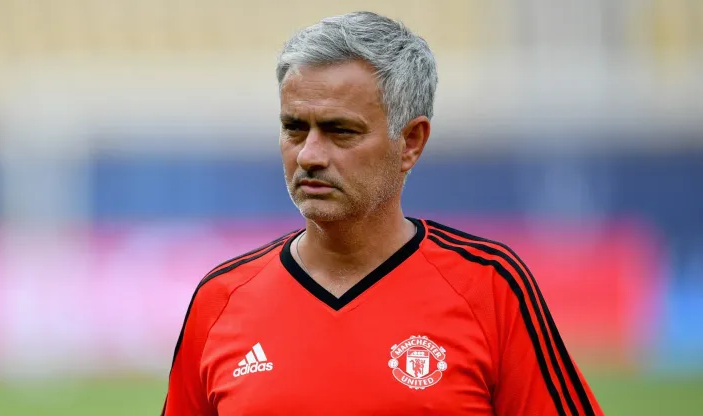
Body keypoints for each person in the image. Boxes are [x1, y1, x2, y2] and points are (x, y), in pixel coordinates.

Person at [162, 11, 603, 415]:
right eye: (295, 128)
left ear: (410, 141)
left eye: (340, 131)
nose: (310, 155)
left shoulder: (490, 287)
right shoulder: (220, 300)